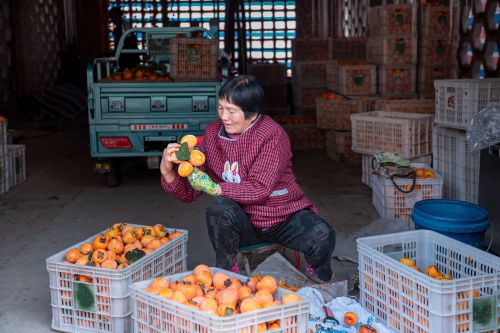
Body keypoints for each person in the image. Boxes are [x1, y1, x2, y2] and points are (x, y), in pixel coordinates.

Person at [160, 75, 336, 282]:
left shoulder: (272, 135)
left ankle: (319, 275)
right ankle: (227, 274)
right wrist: (168, 172)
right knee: (219, 208)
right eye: (221, 108)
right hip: (244, 224)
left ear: (253, 115)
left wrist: (217, 188)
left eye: (232, 111)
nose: (224, 117)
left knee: (322, 234)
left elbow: (260, 189)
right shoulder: (213, 135)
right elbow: (190, 194)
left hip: (283, 218)